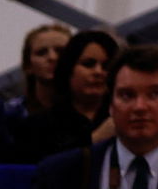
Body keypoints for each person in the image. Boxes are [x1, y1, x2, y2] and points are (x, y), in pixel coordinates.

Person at [32, 45, 158, 189]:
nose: (140, 107)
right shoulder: (60, 173)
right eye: (127, 95)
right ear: (110, 104)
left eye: (154, 94)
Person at [10, 29, 118, 163]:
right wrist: (95, 139)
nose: (98, 72)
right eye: (88, 64)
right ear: (69, 68)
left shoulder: (123, 116)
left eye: (106, 66)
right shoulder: (35, 126)